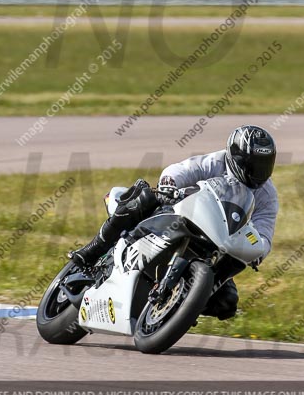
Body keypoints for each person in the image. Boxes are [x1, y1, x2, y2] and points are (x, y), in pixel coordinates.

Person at [70, 126, 279, 320]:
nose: (258, 171)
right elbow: (179, 171)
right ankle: (92, 251)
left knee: (227, 303)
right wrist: (170, 187)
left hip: (215, 245)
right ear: (236, 157)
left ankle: (178, 309)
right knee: (144, 198)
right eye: (253, 164)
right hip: (179, 217)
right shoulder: (215, 162)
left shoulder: (267, 194)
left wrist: (258, 251)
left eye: (264, 164)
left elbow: (264, 230)